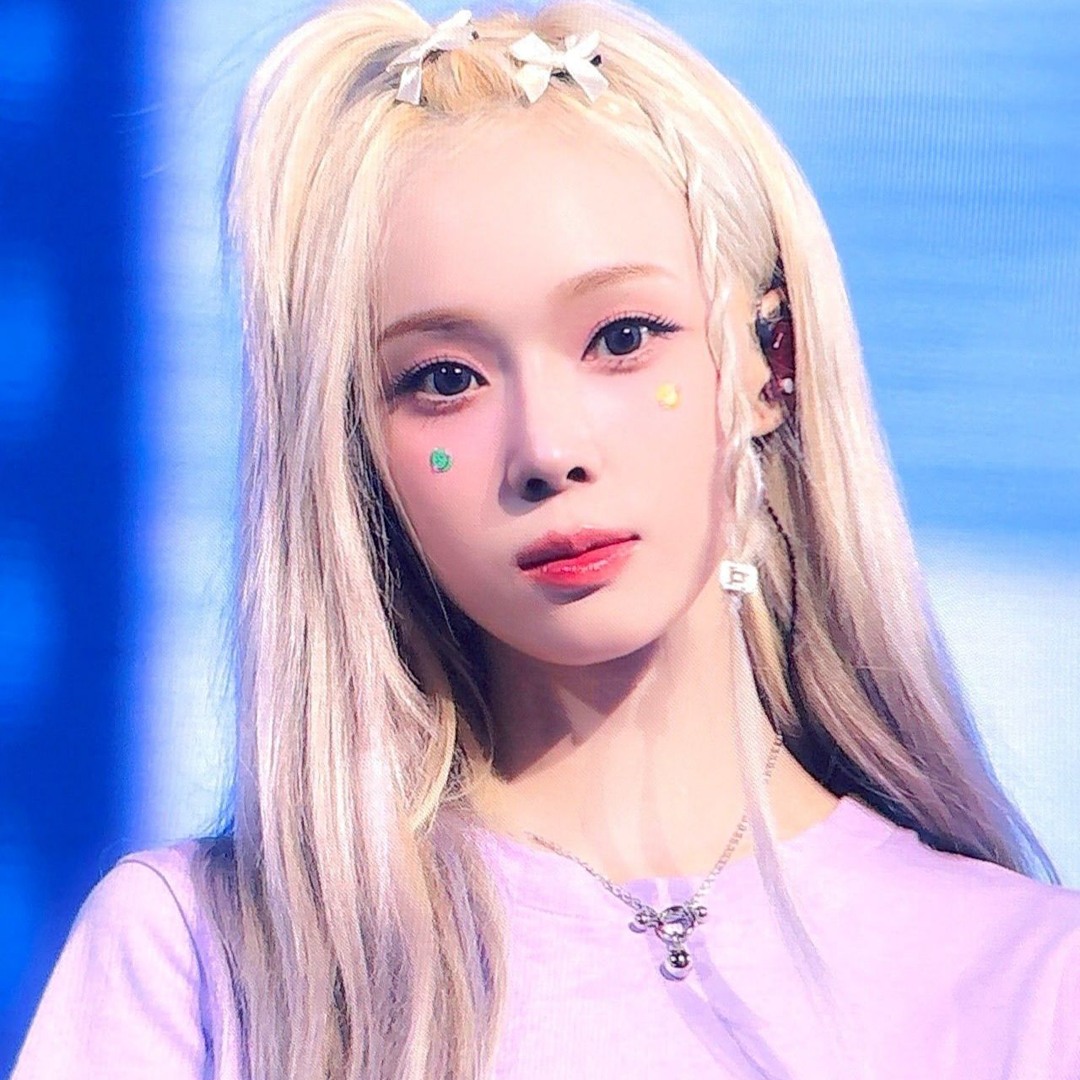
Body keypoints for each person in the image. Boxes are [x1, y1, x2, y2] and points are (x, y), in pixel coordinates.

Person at [12, 1, 1080, 1077]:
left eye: (622, 338)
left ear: (773, 361)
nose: (547, 450)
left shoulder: (1030, 978)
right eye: (444, 379)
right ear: (359, 452)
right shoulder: (202, 963)